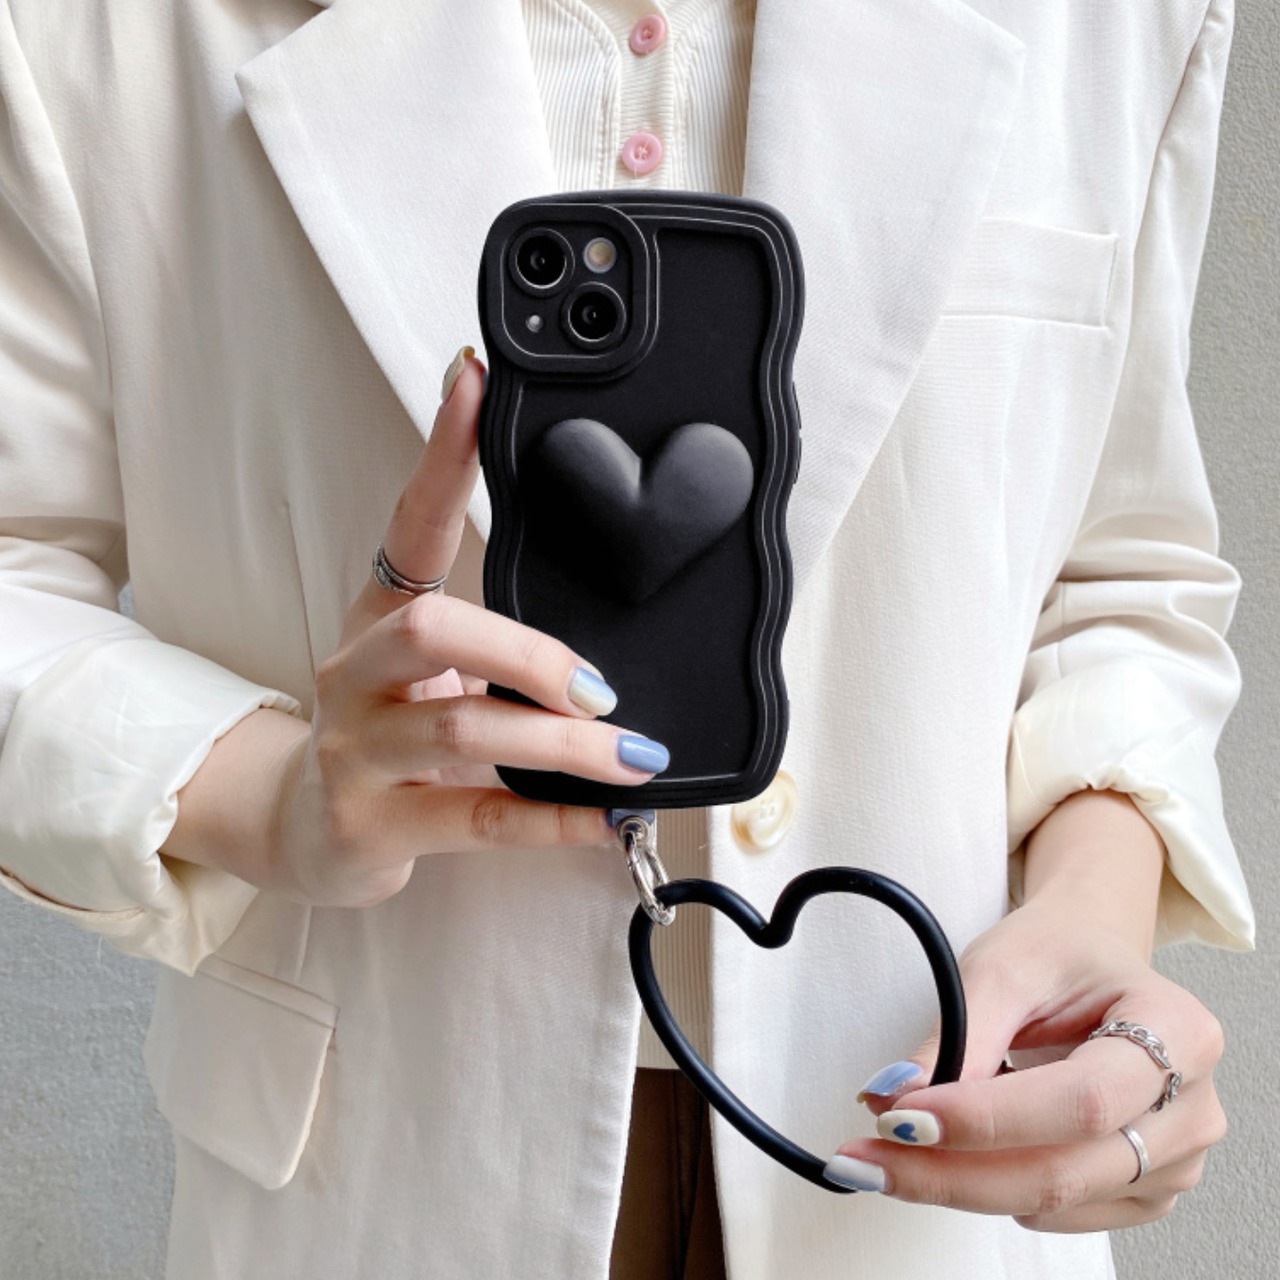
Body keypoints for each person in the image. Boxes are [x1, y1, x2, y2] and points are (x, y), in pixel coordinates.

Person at [0, 1, 1254, 1277]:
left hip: (922, 1162)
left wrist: (1094, 907)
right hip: (380, 1163)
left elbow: (1114, 569)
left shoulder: (1116, 24)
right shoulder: (91, 31)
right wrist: (272, 793)